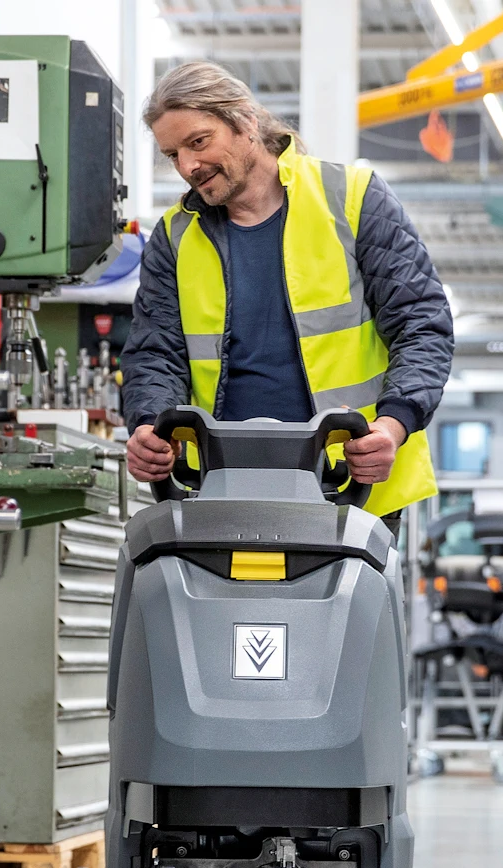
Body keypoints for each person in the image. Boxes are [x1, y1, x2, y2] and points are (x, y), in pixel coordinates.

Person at [119, 61, 452, 524]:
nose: (188, 166)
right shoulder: (175, 237)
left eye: (198, 142)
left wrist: (392, 426)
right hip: (220, 493)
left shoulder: (352, 198)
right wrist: (149, 426)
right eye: (173, 155)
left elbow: (422, 327)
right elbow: (154, 353)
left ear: (244, 121)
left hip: (352, 490)